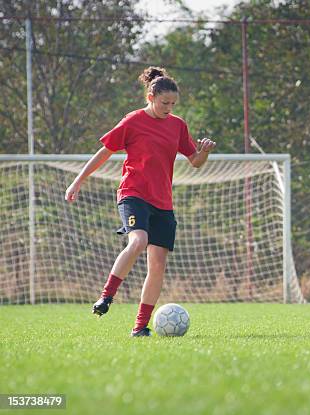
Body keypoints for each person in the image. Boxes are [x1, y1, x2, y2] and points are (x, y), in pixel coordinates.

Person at [65, 66, 216, 337]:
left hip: (163, 202)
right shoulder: (133, 121)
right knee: (138, 240)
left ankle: (140, 327)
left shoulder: (177, 125)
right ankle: (106, 296)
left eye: (173, 103)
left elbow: (195, 162)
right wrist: (78, 181)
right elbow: (104, 152)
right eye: (164, 103)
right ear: (150, 97)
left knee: (158, 265)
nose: (169, 108)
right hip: (133, 193)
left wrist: (203, 152)